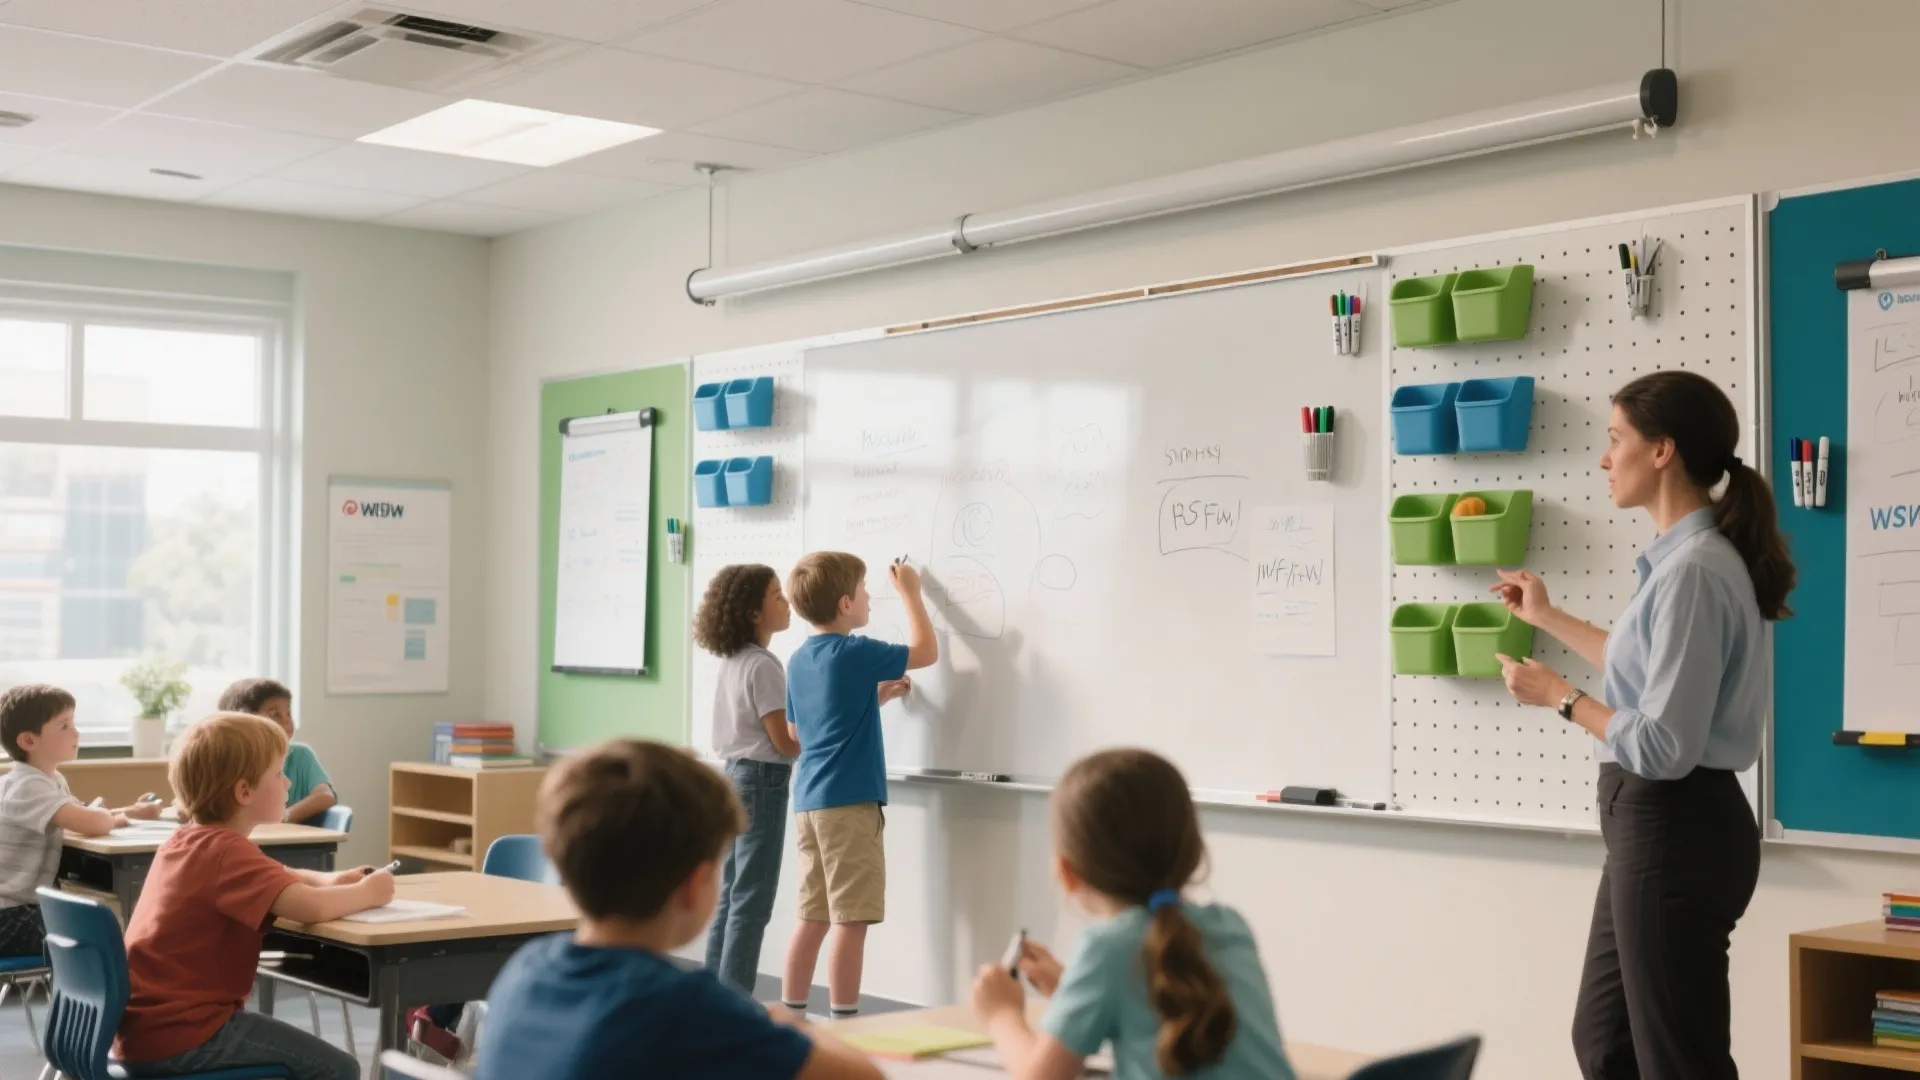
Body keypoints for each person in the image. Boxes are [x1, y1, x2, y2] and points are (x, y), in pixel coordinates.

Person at [1488, 370, 1792, 1080]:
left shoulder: (1692, 571)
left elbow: (1663, 745)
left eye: (1615, 438)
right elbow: (1645, 666)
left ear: (1663, 451)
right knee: (1606, 1043)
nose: (1603, 457)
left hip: (1674, 824)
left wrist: (1559, 696)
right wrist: (1547, 618)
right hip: (1659, 829)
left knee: (1676, 1063)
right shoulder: (1682, 564)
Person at [475, 739, 884, 1080]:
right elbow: (867, 1078)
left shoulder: (524, 971)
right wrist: (795, 1026)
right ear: (694, 885)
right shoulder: (686, 1007)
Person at [969, 748, 1295, 1080]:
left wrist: (1001, 1014)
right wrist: (1069, 990)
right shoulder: (1230, 926)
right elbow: (1152, 1010)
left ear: (1067, 873)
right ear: (1194, 851)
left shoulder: (1108, 947)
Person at [116, 713, 394, 1080]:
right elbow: (311, 909)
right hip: (186, 1036)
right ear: (244, 791)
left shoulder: (189, 840)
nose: (289, 782)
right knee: (338, 1068)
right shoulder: (227, 852)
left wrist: (332, 880)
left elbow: (280, 876)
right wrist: (366, 893)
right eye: (279, 774)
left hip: (145, 1033)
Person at [780, 552, 931, 1019]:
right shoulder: (857, 652)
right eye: (866, 591)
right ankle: (845, 1023)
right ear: (846, 604)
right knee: (852, 919)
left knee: (813, 917)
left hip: (809, 803)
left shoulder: (799, 660)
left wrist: (875, 697)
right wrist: (910, 591)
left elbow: (797, 735)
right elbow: (926, 652)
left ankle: (793, 1016)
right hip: (849, 806)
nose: (870, 598)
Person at [696, 564, 801, 996]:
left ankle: (715, 998)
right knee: (752, 901)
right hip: (763, 780)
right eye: (778, 595)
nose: (787, 601)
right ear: (755, 612)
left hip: (735, 778)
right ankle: (735, 1000)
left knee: (732, 894)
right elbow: (785, 743)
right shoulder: (764, 667)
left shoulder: (734, 662)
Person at [0, 683, 160, 957]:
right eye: (64, 726)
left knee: (103, 924)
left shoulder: (47, 780)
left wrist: (132, 812)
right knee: (105, 932)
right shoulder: (26, 787)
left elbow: (84, 815)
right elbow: (92, 822)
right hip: (8, 918)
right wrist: (101, 815)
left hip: (22, 911)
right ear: (28, 741)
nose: (76, 732)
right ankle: (123, 995)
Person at [217, 678, 336, 826]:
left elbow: (325, 796)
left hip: (292, 846)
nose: (286, 721)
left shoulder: (300, 755)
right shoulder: (229, 760)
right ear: (244, 721)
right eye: (275, 715)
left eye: (288, 713)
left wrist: (283, 817)